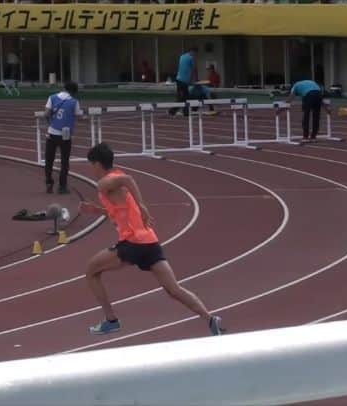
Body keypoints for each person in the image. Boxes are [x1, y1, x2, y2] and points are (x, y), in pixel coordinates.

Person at [78, 143, 224, 336]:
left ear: (97, 164)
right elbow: (120, 210)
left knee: (91, 271)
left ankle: (111, 320)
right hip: (149, 242)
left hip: (132, 243)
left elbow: (128, 179)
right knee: (174, 289)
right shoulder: (113, 182)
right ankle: (210, 319)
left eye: (91, 165)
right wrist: (97, 210)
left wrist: (142, 205)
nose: (91, 169)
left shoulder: (105, 182)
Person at [43, 81, 81, 194]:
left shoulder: (52, 97)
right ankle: (62, 186)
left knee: (49, 160)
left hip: (52, 133)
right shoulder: (74, 102)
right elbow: (79, 115)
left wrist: (50, 123)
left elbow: (46, 114)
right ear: (74, 91)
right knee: (64, 161)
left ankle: (49, 182)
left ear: (64, 88)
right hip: (65, 134)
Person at [169, 46, 198, 117]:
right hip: (184, 81)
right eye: (195, 53)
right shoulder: (191, 58)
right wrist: (194, 80)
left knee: (181, 96)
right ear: (192, 51)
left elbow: (183, 68)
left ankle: (181, 112)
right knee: (184, 97)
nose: (195, 55)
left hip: (178, 79)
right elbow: (193, 70)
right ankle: (173, 111)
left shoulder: (182, 56)